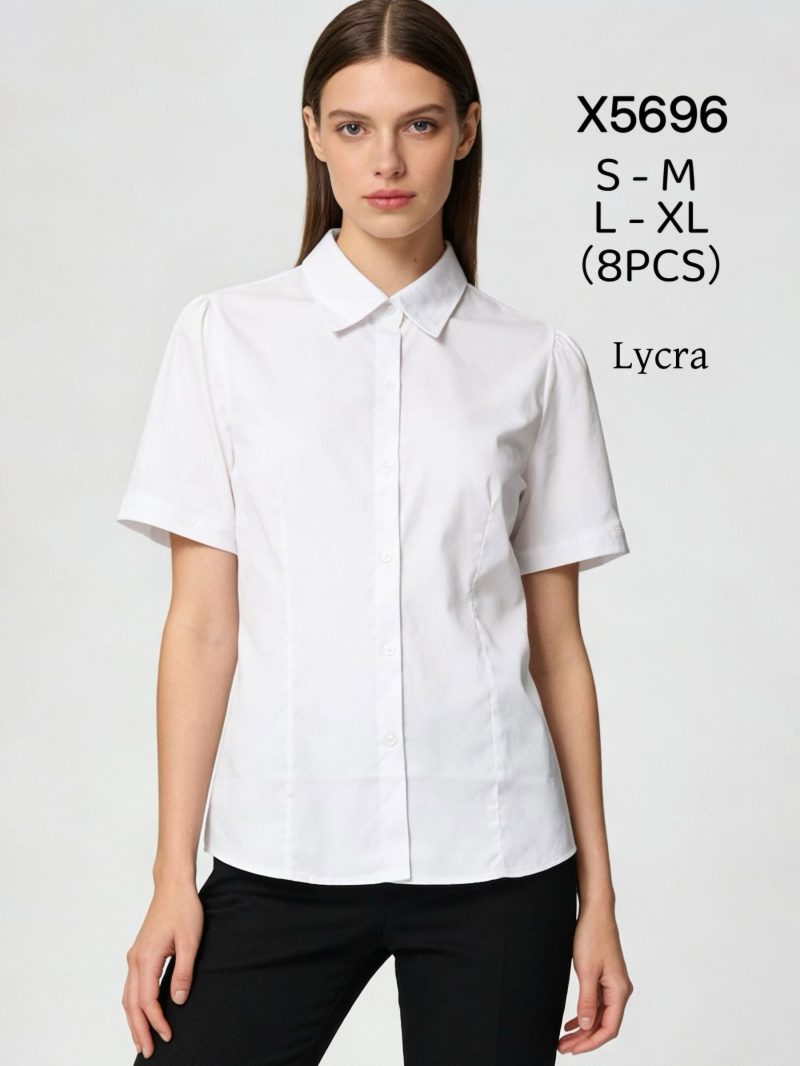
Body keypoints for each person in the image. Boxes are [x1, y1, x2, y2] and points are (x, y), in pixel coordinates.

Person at [118, 1, 635, 1062]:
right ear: (313, 133)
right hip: (283, 844)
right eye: (353, 127)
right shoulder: (223, 339)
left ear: (467, 131)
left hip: (499, 857)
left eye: (420, 124)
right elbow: (202, 629)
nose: (386, 160)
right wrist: (173, 875)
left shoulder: (536, 362)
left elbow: (558, 650)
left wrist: (599, 897)